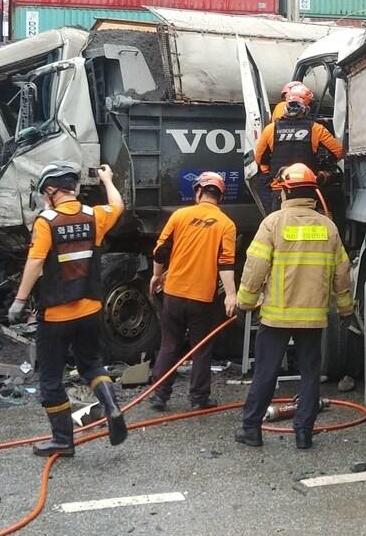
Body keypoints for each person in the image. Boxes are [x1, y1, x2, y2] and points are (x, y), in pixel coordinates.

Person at [8, 162, 128, 457]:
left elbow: (35, 263)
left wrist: (20, 301)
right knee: (91, 365)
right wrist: (107, 180)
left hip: (57, 315)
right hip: (90, 310)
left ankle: (63, 440)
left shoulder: (46, 222)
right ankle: (111, 405)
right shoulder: (94, 216)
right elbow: (117, 205)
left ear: (51, 191)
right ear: (72, 189)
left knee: (50, 379)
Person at [233, 163, 352, 451]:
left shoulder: (273, 223)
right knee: (310, 374)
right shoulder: (328, 227)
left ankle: (252, 430)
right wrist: (345, 309)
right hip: (312, 319)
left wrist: (245, 302)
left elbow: (255, 268)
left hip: (276, 317)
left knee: (266, 372)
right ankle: (303, 434)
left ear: (285, 192)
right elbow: (342, 272)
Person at [146, 171, 237, 411]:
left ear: (198, 192)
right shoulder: (226, 224)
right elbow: (226, 262)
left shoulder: (180, 215)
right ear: (220, 197)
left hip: (173, 293)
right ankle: (199, 399)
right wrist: (231, 294)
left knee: (169, 344)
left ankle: (159, 396)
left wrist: (156, 277)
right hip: (202, 299)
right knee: (201, 348)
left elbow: (160, 251)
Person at [254, 83, 343, 178]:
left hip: (280, 185)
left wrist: (270, 172)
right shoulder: (316, 129)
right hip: (309, 184)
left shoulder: (270, 129)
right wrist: (325, 165)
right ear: (306, 109)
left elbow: (259, 159)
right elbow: (339, 152)